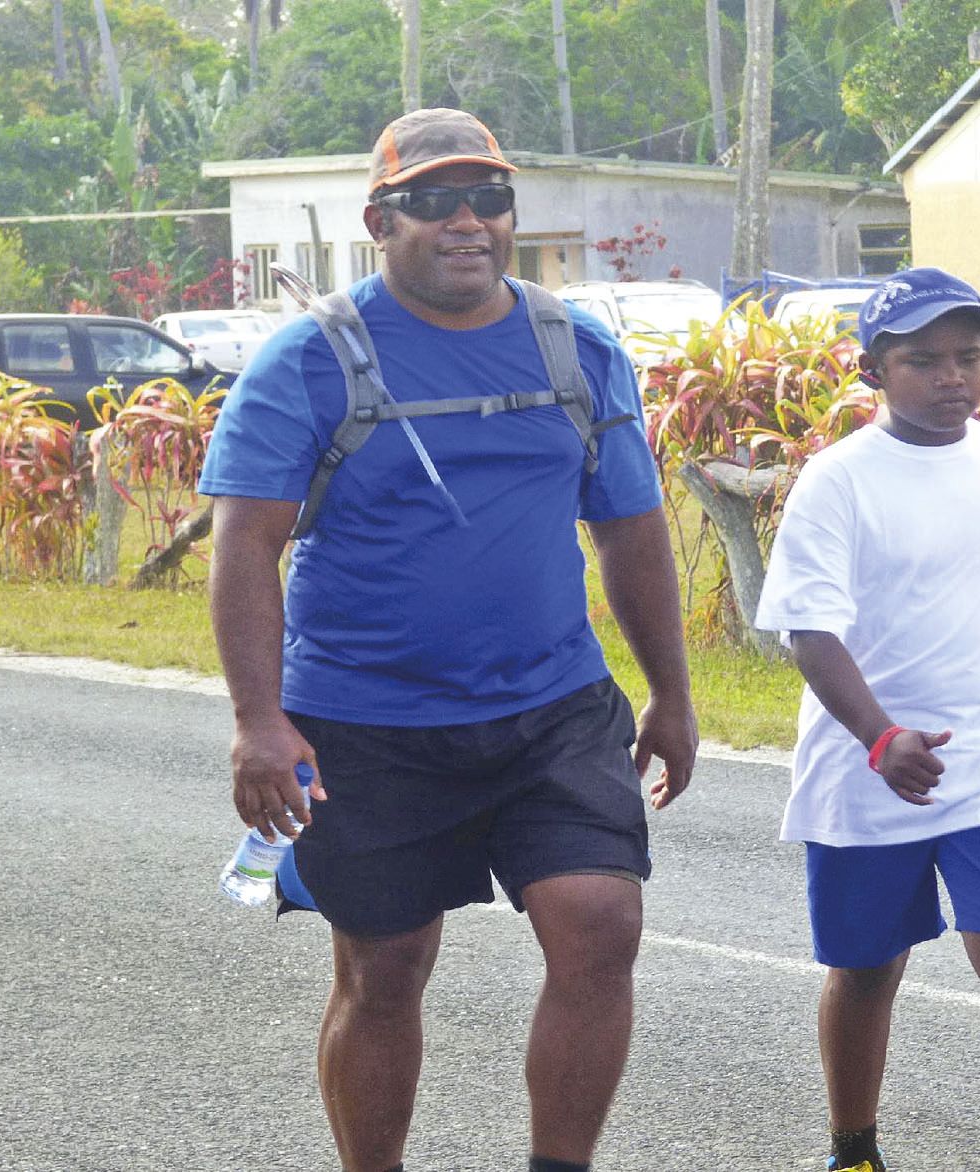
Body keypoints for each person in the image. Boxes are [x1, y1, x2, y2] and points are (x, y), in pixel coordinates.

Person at [199, 108, 698, 1172]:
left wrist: (673, 692)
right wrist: (258, 720)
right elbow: (247, 545)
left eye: (488, 198)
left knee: (601, 921)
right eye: (433, 201)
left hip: (551, 709)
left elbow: (632, 529)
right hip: (367, 720)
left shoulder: (578, 348)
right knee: (384, 969)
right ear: (381, 221)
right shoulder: (309, 360)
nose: (466, 220)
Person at [753, 267, 980, 1172]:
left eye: (969, 357)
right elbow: (810, 631)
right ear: (871, 370)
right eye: (923, 361)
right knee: (867, 968)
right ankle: (854, 1151)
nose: (953, 377)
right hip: (866, 766)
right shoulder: (837, 481)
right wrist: (878, 738)